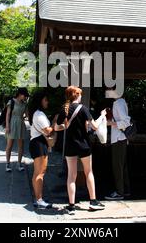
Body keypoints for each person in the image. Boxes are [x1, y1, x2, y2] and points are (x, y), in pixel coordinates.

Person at [53, 86, 107, 214]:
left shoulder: (64, 109)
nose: (81, 96)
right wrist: (102, 116)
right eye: (80, 94)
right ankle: (93, 202)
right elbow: (94, 127)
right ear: (76, 95)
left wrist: (66, 126)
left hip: (70, 146)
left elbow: (56, 128)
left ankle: (71, 206)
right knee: (88, 172)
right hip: (83, 145)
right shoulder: (83, 109)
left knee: (71, 175)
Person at [28, 91, 53, 209]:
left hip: (35, 143)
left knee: (36, 173)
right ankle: (39, 200)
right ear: (40, 101)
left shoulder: (36, 113)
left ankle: (38, 198)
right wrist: (55, 124)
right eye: (45, 99)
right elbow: (48, 131)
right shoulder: (39, 115)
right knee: (40, 173)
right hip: (39, 144)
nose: (47, 102)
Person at [105, 89, 131, 200]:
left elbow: (126, 122)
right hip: (122, 138)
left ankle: (120, 192)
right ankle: (125, 190)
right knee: (122, 166)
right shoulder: (122, 102)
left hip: (118, 138)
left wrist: (110, 123)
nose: (107, 91)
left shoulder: (118, 103)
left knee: (117, 166)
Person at [5, 87, 29, 172]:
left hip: (21, 124)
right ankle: (7, 164)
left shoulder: (24, 104)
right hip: (12, 123)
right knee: (9, 145)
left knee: (21, 146)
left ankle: (19, 163)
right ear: (20, 94)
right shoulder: (11, 102)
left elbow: (27, 115)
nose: (25, 97)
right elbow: (7, 115)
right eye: (24, 95)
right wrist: (7, 126)